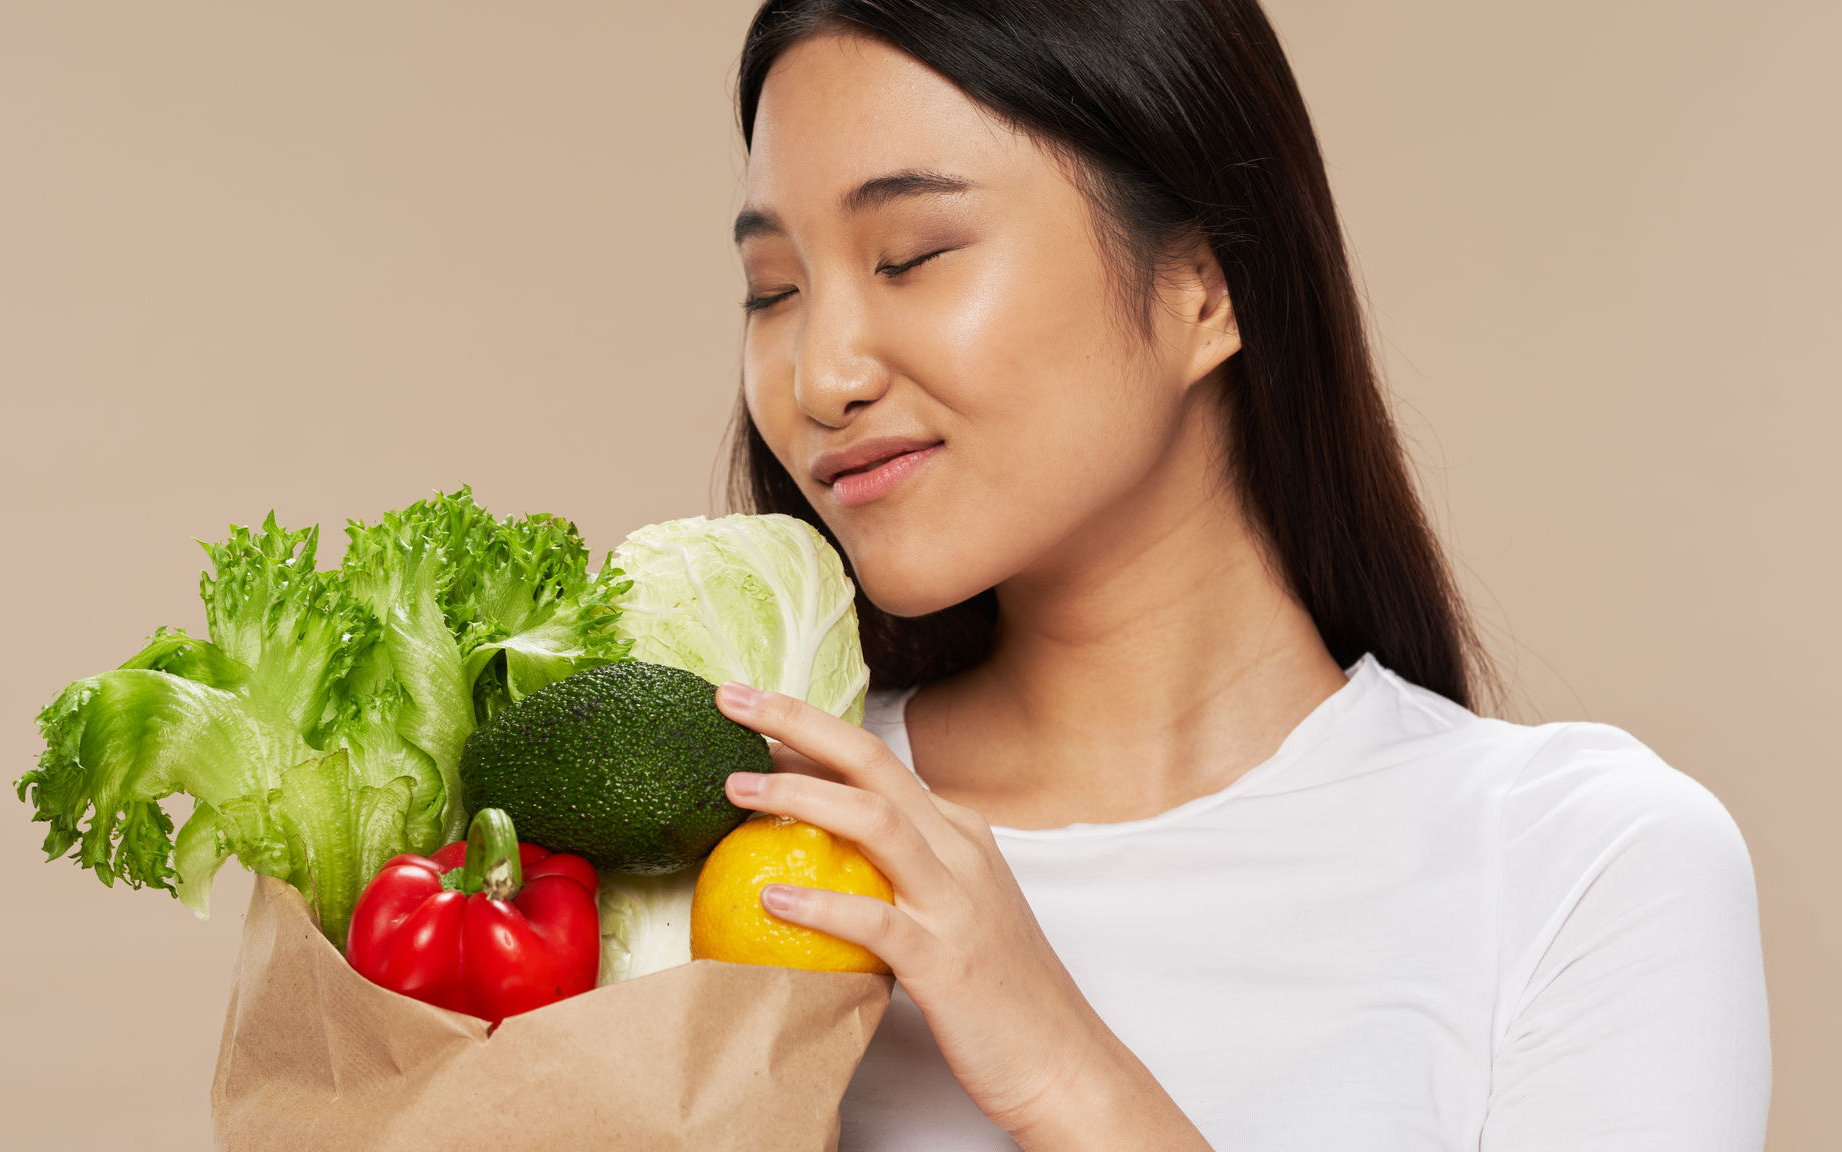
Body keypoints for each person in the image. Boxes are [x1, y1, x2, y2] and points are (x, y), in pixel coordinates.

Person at [705, 2, 1771, 1148]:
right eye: (774, 290)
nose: (819, 375)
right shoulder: (732, 837)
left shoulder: (1580, 868)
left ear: (1205, 288)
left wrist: (1061, 1067)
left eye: (910, 257)